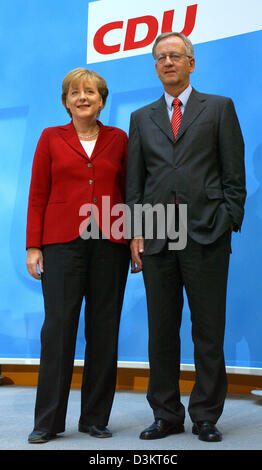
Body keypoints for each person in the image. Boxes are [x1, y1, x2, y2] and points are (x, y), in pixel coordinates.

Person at [126, 33, 246, 442]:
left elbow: (234, 172)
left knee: (208, 331)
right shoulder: (141, 118)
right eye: (161, 57)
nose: (168, 62)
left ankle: (207, 416)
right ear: (156, 66)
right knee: (161, 331)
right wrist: (135, 231)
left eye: (175, 56)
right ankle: (166, 415)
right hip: (158, 235)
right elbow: (135, 181)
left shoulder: (219, 109)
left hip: (207, 234)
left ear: (191, 63)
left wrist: (229, 216)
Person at [26, 68, 130, 443]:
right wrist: (33, 246)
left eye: (90, 92)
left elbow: (127, 191)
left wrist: (133, 237)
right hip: (61, 244)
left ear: (102, 100)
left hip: (110, 245)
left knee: (104, 332)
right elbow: (38, 193)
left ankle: (94, 418)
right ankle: (48, 422)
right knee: (58, 331)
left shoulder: (119, 139)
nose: (82, 97)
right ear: (66, 101)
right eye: (74, 92)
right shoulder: (50, 138)